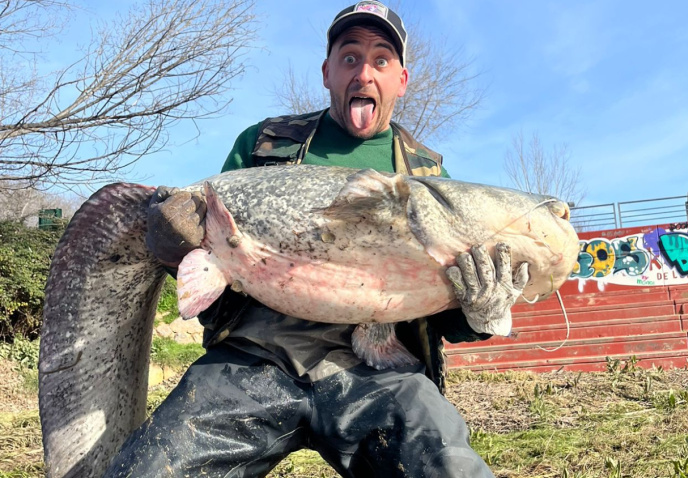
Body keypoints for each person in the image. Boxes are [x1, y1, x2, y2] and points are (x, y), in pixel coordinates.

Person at [107, 2, 529, 477]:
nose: (364, 73)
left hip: (381, 374)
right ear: (327, 72)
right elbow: (208, 258)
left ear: (402, 81)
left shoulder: (432, 178)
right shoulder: (262, 143)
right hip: (254, 358)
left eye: (381, 60)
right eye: (350, 58)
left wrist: (481, 311)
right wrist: (177, 242)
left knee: (450, 469)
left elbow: (447, 321)